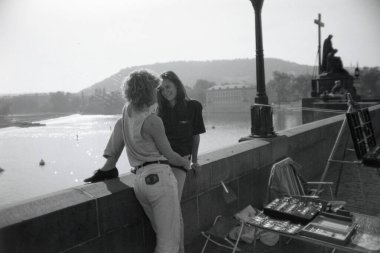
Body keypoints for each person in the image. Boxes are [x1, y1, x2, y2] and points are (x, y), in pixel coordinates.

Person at [85, 69, 190, 253]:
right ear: (149, 91)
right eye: (155, 89)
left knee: (163, 235)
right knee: (168, 245)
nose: (158, 93)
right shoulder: (153, 121)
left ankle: (108, 167)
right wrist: (186, 163)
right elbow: (170, 155)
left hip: (139, 182)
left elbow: (119, 128)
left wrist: (110, 163)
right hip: (160, 180)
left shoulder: (126, 112)